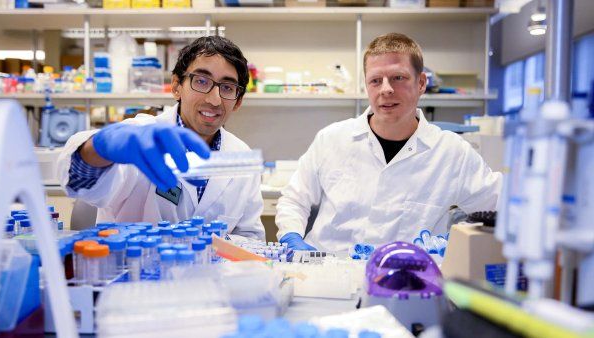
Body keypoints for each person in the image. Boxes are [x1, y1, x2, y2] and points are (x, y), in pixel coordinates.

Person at [276, 33, 502, 252]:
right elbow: (294, 200)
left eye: (398, 78)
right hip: (329, 275)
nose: (386, 89)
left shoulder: (452, 152)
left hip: (407, 281)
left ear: (421, 83)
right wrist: (291, 236)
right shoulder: (331, 139)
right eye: (375, 81)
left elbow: (501, 206)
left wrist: (461, 241)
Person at [57, 36, 265, 241]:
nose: (214, 99)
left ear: (237, 102)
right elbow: (81, 185)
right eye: (201, 81)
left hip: (211, 274)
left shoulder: (241, 156)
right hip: (133, 271)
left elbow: (249, 235)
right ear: (176, 86)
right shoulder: (140, 137)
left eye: (227, 88)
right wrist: (99, 149)